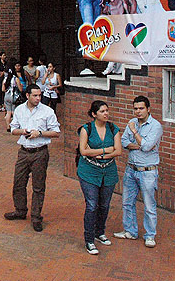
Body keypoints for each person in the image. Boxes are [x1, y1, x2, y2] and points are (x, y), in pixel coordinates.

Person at [4, 84, 60, 232]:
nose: (38, 98)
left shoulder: (47, 111)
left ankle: (36, 216)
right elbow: (13, 129)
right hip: (24, 151)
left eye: (39, 95)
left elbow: (56, 132)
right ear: (27, 95)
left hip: (40, 152)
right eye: (35, 95)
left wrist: (39, 133)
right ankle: (20, 210)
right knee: (18, 182)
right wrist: (23, 131)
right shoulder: (19, 110)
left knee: (38, 186)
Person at [114, 95, 163, 248]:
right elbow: (124, 142)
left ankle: (150, 235)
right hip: (131, 169)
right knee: (127, 202)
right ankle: (130, 231)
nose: (138, 111)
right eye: (135, 108)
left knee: (149, 205)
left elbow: (147, 147)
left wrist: (135, 132)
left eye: (141, 108)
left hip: (147, 171)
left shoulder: (155, 126)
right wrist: (138, 145)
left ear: (148, 109)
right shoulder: (132, 122)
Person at [77, 100, 123, 255]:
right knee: (92, 205)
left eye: (107, 110)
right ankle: (89, 240)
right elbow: (83, 151)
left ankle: (100, 232)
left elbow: (118, 151)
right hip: (89, 171)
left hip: (108, 171)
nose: (106, 114)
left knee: (104, 204)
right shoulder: (87, 129)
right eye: (102, 111)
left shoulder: (113, 128)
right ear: (94, 114)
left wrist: (100, 154)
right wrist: (105, 150)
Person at [1, 61, 24, 131]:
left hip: (7, 96)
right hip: (14, 96)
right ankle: (15, 126)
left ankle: (8, 126)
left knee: (8, 112)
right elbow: (20, 89)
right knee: (14, 111)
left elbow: (3, 89)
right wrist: (21, 86)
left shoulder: (5, 79)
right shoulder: (15, 79)